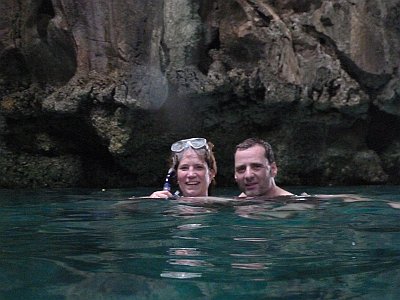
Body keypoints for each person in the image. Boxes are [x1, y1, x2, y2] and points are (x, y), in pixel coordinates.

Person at [149, 137, 217, 198]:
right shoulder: (160, 204)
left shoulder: (224, 205)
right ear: (176, 175)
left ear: (211, 174)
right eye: (184, 168)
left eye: (198, 167)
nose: (191, 174)